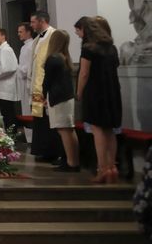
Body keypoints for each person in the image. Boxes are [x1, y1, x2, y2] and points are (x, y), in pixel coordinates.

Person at [75, 16, 123, 184]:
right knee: (110, 129)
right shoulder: (112, 48)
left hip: (95, 91)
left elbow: (84, 73)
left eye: (79, 31)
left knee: (98, 130)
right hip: (112, 91)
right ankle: (112, 168)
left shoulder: (89, 48)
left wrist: (79, 92)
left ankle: (102, 169)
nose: (78, 35)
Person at [42, 30, 80, 172]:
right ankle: (71, 160)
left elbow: (47, 81)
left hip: (59, 98)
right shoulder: (64, 57)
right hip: (66, 97)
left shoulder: (53, 58)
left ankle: (71, 163)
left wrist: (43, 95)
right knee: (67, 130)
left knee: (64, 130)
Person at [30, 10, 63, 163]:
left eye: (33, 22)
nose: (31, 25)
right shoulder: (37, 39)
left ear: (42, 21)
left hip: (48, 84)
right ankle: (44, 150)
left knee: (50, 120)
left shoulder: (54, 36)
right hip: (37, 84)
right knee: (40, 119)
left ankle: (54, 151)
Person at [0, 28, 21, 138]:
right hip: (2, 87)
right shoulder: (0, 50)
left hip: (6, 87)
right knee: (5, 113)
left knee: (9, 113)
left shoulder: (6, 50)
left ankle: (12, 136)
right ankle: (9, 135)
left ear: (3, 36)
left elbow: (9, 68)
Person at [17, 22, 36, 142]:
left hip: (29, 82)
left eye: (21, 31)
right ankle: (29, 138)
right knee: (25, 109)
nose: (18, 34)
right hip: (23, 81)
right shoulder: (24, 47)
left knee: (29, 110)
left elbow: (28, 66)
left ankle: (33, 138)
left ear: (28, 32)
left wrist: (17, 68)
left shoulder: (31, 46)